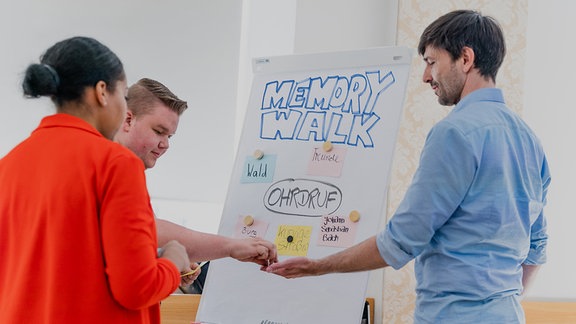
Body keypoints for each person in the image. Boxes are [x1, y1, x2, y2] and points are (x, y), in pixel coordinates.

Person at [266, 10, 550, 323]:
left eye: (431, 62)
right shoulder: (529, 139)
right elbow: (536, 247)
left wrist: (317, 266)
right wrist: (496, 302)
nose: (426, 76)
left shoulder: (454, 133)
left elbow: (401, 240)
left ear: (465, 59)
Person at [0, 36, 194, 323]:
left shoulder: (9, 165)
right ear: (102, 92)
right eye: (123, 94)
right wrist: (173, 261)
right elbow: (137, 288)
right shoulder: (117, 165)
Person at [114, 78, 277, 274]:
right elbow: (148, 229)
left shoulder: (129, 173)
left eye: (170, 136)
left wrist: (164, 263)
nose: (165, 144)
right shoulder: (109, 167)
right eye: (159, 132)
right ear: (128, 120)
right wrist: (231, 246)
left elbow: (129, 243)